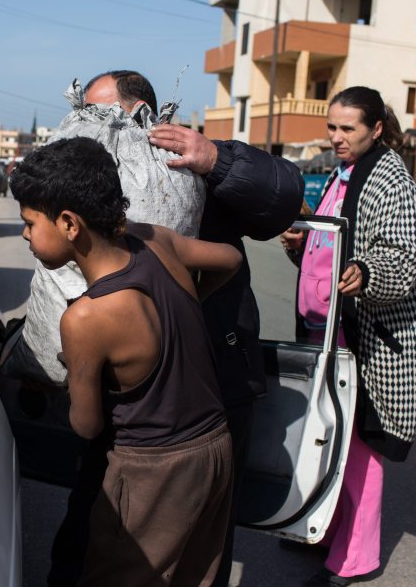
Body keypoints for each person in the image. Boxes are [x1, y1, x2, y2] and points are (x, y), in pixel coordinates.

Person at [11, 136, 242, 586]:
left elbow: (88, 426)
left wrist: (82, 371)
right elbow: (230, 258)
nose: (24, 234)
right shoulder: (155, 241)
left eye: (29, 223)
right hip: (215, 451)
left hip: (153, 474)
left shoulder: (85, 318)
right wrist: (190, 301)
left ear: (69, 223)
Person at [279, 86, 416, 586]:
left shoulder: (393, 180)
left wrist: (366, 271)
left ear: (376, 129)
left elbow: (402, 258)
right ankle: (323, 530)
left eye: (348, 129)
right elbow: (331, 247)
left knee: (360, 446)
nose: (337, 138)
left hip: (367, 338)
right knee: (327, 439)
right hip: (328, 331)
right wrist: (303, 243)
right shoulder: (342, 174)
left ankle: (355, 558)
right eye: (331, 127)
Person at [149, 117, 303, 585]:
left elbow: (284, 196)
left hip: (218, 372)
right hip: (139, 385)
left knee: (208, 527)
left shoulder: (193, 163)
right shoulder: (102, 171)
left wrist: (216, 161)